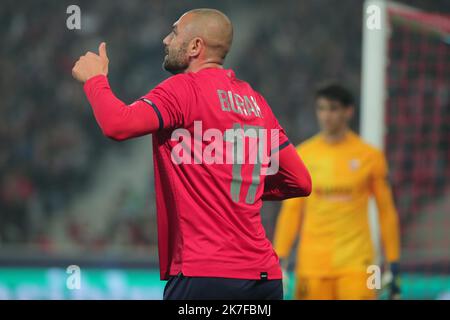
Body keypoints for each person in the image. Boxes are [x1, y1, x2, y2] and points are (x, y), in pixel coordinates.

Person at [72, 8, 311, 300]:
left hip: (205, 276)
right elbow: (300, 181)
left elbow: (117, 125)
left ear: (196, 46)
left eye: (174, 33)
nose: (165, 39)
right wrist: (238, 184)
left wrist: (95, 80)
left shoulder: (182, 90)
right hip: (264, 278)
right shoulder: (255, 102)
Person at [273, 83, 401, 300]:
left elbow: (386, 211)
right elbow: (291, 211)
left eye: (333, 109)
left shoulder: (370, 156)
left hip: (359, 265)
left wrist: (393, 263)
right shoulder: (302, 155)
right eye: (321, 108)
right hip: (312, 264)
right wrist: (279, 259)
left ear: (348, 111)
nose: (326, 116)